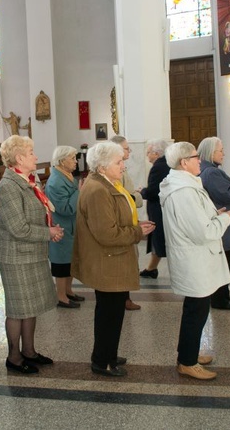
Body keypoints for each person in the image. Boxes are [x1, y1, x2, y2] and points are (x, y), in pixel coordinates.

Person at [160, 142, 230, 380]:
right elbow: (203, 232)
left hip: (195, 258)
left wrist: (216, 215)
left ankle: (188, 353)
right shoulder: (183, 191)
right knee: (195, 310)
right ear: (183, 163)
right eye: (195, 157)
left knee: (197, 309)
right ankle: (187, 362)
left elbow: (197, 220)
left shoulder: (186, 184)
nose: (200, 160)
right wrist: (227, 217)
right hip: (193, 259)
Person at [72, 142, 155, 377]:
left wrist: (135, 225)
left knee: (113, 311)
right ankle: (101, 360)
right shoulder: (98, 190)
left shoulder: (106, 183)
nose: (123, 166)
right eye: (119, 162)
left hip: (112, 260)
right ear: (103, 165)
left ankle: (107, 353)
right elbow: (107, 234)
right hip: (107, 261)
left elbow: (114, 221)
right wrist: (138, 232)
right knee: (109, 313)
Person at [0, 135, 60, 375]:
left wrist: (49, 229)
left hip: (33, 253)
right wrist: (48, 232)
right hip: (16, 256)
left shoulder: (30, 181)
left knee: (30, 307)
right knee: (17, 310)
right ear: (20, 158)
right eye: (31, 153)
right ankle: (13, 356)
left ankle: (29, 351)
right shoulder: (8, 187)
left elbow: (40, 212)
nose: (36, 157)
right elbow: (18, 228)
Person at [197, 137, 230, 311]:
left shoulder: (209, 170)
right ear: (211, 152)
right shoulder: (211, 172)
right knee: (223, 261)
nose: (223, 153)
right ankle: (219, 299)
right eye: (221, 150)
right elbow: (228, 196)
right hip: (223, 224)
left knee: (224, 260)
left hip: (221, 221)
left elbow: (222, 190)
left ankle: (222, 294)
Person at [44, 145, 83, 309]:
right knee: (61, 263)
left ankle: (68, 290)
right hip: (61, 227)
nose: (76, 161)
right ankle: (60, 296)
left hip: (72, 227)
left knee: (70, 261)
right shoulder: (55, 182)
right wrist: (79, 192)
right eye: (72, 158)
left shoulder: (67, 176)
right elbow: (65, 208)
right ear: (61, 160)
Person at [110, 135, 143, 311]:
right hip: (123, 225)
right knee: (125, 263)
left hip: (129, 221)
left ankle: (125, 297)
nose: (129, 151)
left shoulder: (122, 168)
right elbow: (123, 197)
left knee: (131, 261)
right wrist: (137, 196)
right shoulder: (115, 171)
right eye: (126, 148)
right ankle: (124, 298)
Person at [139, 139, 170, 279]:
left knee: (159, 238)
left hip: (159, 209)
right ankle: (151, 268)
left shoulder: (158, 167)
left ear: (156, 153)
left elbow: (153, 192)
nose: (147, 155)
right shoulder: (166, 163)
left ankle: (152, 269)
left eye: (149, 152)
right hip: (164, 208)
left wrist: (142, 192)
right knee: (157, 239)